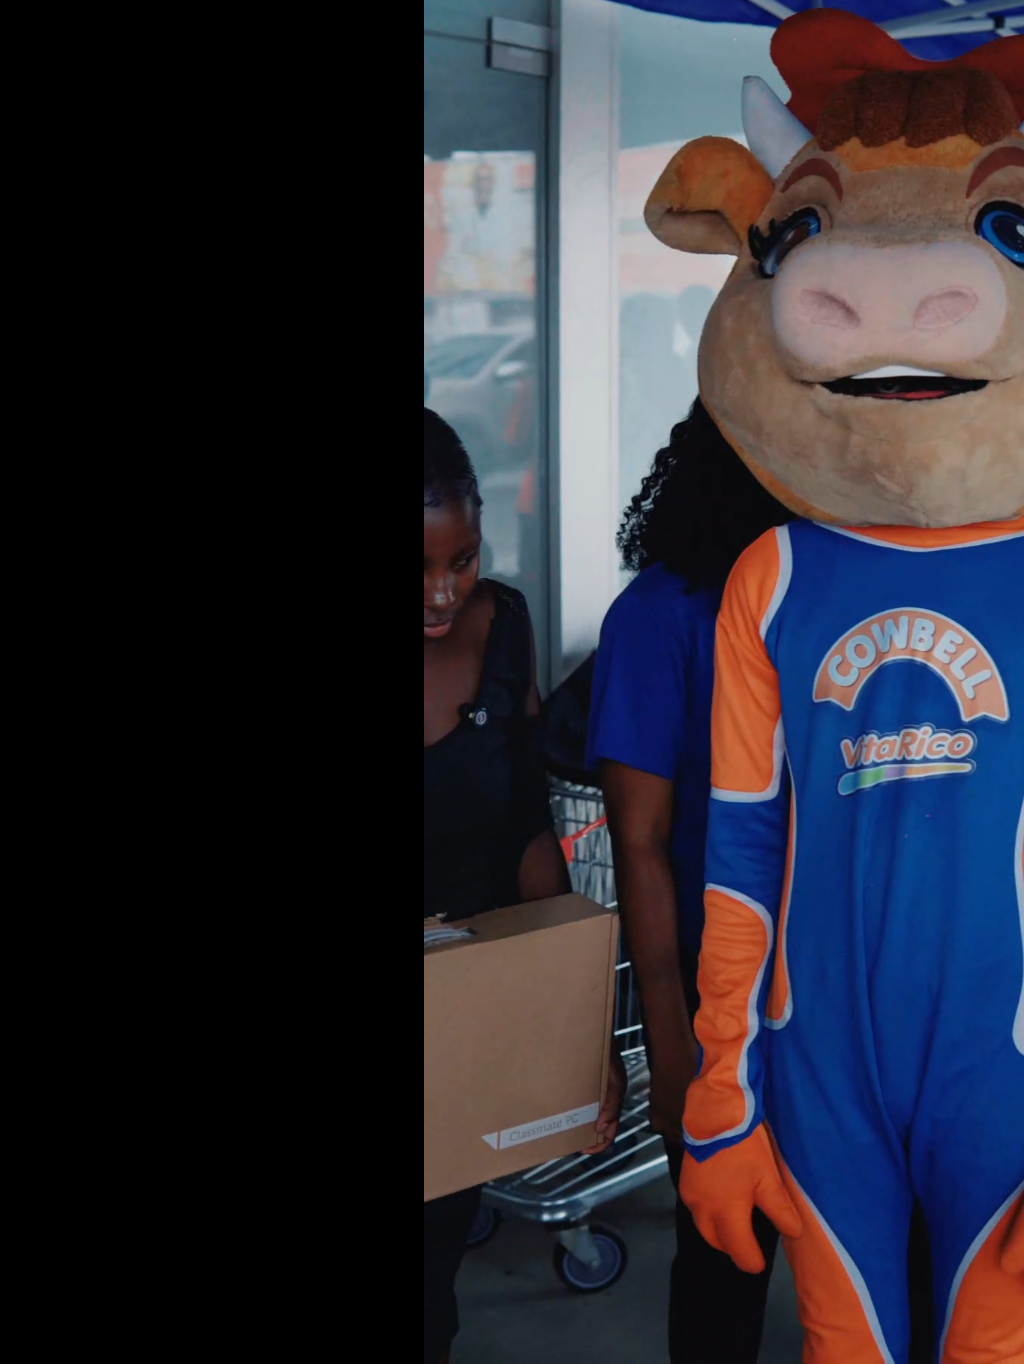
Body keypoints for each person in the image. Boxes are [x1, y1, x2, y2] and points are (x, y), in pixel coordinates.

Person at [587, 402, 804, 1362]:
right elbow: (639, 842)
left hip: (841, 991)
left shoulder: (836, 593)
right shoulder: (660, 614)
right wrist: (671, 1048)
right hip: (718, 996)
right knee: (724, 1264)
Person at [423, 406, 613, 1364]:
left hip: (455, 1024)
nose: (441, 593)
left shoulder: (501, 626)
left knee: (429, 1289)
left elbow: (529, 828)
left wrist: (577, 1031)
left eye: (460, 560)